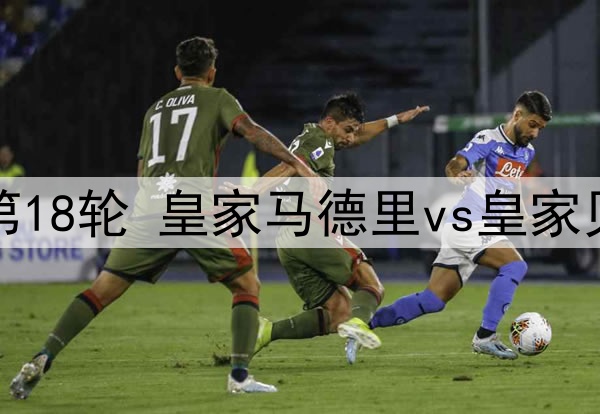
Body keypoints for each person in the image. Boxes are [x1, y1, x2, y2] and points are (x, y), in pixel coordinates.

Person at [9, 36, 318, 399]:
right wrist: (295, 162)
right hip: (192, 207)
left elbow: (142, 173)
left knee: (101, 290)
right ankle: (239, 377)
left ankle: (44, 354)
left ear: (177, 72)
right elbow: (253, 133)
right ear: (212, 72)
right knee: (247, 284)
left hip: (149, 208)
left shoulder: (154, 110)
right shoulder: (218, 98)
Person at [222, 93, 429, 359]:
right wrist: (251, 193)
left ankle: (265, 331)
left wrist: (395, 119)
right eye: (348, 130)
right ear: (330, 122)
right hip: (311, 229)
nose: (351, 138)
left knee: (338, 311)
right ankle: (358, 325)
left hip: (288, 239)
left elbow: (360, 135)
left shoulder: (318, 139)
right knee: (370, 282)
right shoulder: (318, 140)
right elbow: (289, 166)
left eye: (354, 131)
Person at [362, 90, 552, 361]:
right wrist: (455, 175)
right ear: (517, 115)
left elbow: (514, 185)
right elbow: (456, 163)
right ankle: (485, 337)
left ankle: (362, 324)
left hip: (474, 229)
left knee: (432, 300)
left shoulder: (526, 152)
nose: (535, 133)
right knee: (515, 266)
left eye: (540, 128)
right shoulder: (489, 139)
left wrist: (526, 216)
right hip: (470, 222)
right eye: (532, 125)